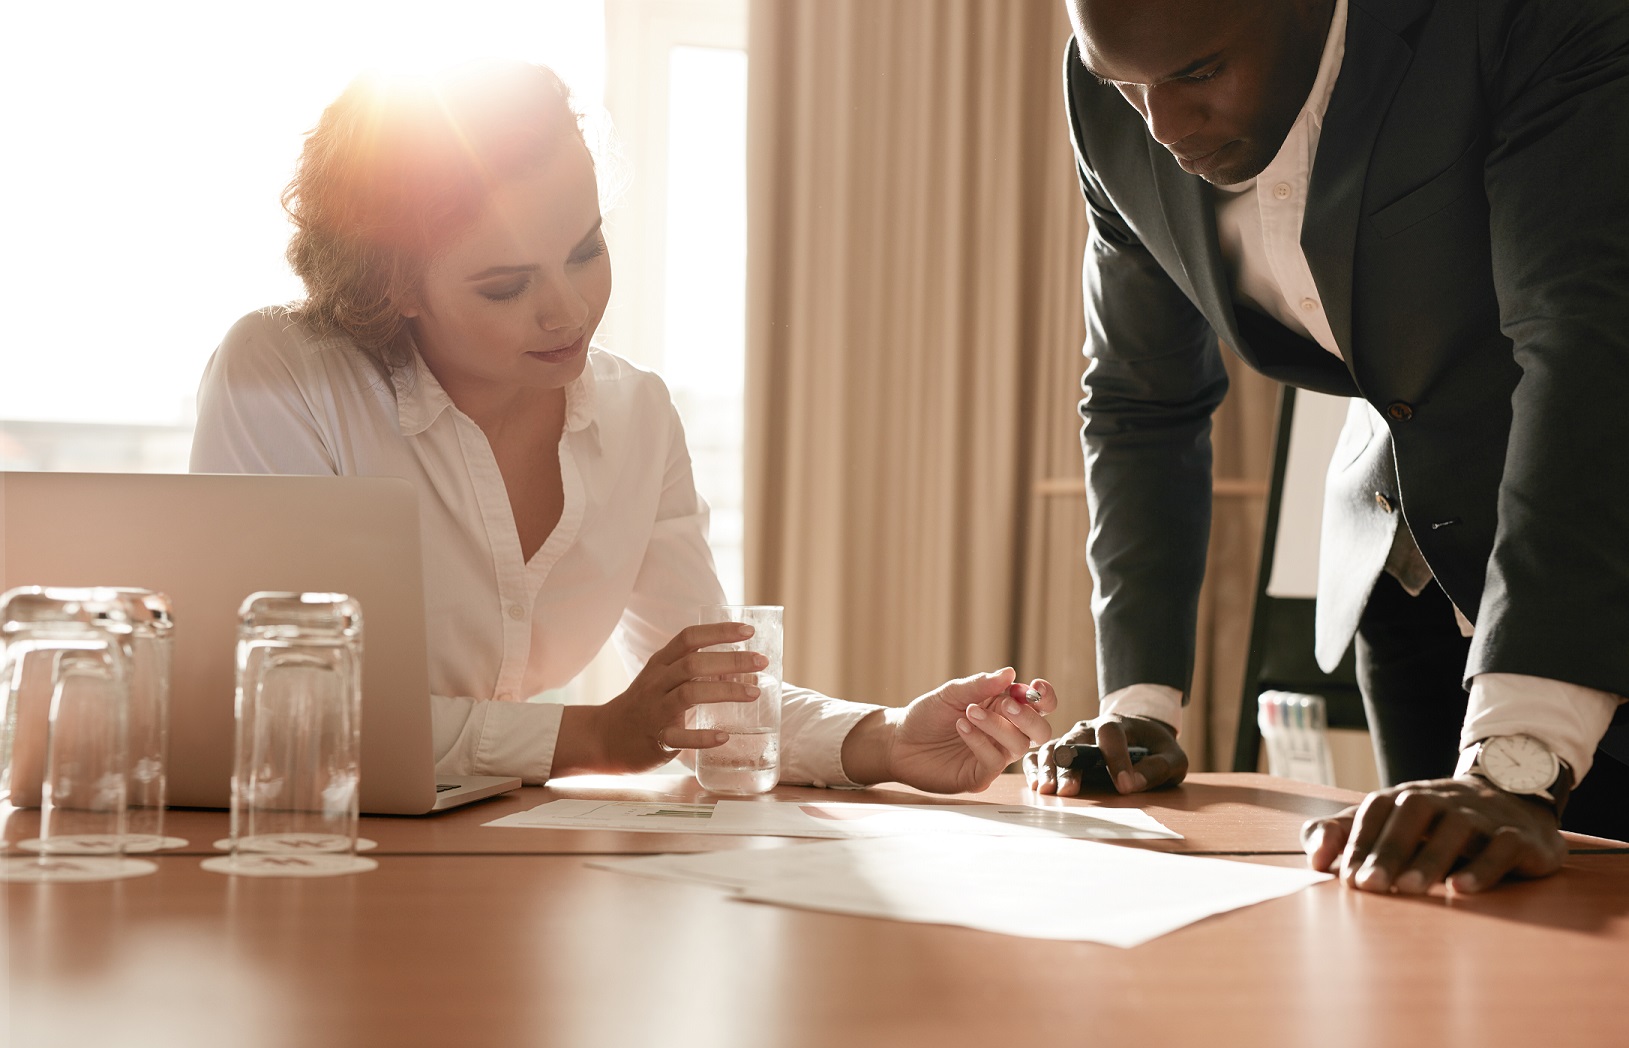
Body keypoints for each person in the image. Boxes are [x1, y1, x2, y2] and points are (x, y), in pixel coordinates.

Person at [191, 61, 1054, 794]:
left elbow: (709, 696)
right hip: (295, 858)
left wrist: (887, 739)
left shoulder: (637, 415)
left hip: (490, 864)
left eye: (585, 250)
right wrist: (592, 737)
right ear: (393, 286)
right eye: (505, 286)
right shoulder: (285, 373)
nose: (569, 311)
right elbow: (286, 711)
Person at [1023, 0, 1629, 892]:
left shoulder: (1528, 22)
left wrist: (1515, 764)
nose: (1163, 126)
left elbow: (1583, 344)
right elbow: (1139, 397)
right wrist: (1138, 708)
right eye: (1127, 85)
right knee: (1432, 939)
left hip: (1586, 570)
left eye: (1197, 74)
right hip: (1404, 575)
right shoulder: (1107, 95)